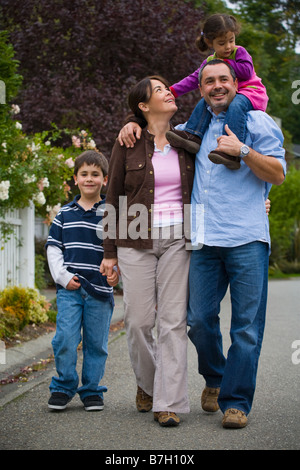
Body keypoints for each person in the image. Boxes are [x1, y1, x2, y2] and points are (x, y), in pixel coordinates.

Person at [117, 60, 285, 429]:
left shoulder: (257, 122)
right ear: (202, 89)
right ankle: (215, 376)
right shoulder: (190, 130)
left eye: (224, 79)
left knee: (245, 328)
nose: (217, 85)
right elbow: (153, 142)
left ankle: (236, 402)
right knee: (197, 320)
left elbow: (278, 172)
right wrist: (132, 124)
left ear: (236, 84)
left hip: (247, 239)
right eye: (209, 81)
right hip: (202, 239)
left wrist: (242, 150)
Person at [100, 75, 195, 427]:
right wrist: (109, 252)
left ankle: (167, 401)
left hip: (178, 238)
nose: (169, 91)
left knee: (172, 323)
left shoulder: (186, 139)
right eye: (159, 90)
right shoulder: (127, 142)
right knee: (138, 322)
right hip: (134, 237)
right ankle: (148, 383)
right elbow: (113, 199)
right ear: (143, 106)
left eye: (168, 87)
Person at [46, 150, 118, 412]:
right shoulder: (64, 214)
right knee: (65, 338)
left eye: (95, 174)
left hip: (99, 290)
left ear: (105, 179)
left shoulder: (110, 213)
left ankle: (91, 390)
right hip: (71, 289)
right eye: (84, 174)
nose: (90, 179)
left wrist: (116, 271)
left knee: (96, 344)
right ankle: (63, 386)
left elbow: (118, 250)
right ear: (75, 179)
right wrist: (63, 278)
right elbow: (53, 249)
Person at [166, 13, 268, 170]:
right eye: (222, 43)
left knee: (236, 105)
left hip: (250, 92)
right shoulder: (209, 62)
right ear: (210, 42)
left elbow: (247, 71)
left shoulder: (239, 52)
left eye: (231, 40)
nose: (228, 46)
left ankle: (231, 152)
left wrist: (223, 63)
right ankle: (193, 136)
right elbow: (194, 79)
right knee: (205, 101)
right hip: (231, 92)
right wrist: (173, 91)